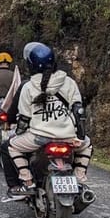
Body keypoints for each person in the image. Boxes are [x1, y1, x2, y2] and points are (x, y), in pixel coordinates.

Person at [6, 42, 92, 200]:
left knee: (11, 146)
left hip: (39, 138)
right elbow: (78, 111)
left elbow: (24, 119)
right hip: (68, 138)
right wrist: (79, 134)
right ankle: (79, 178)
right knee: (88, 144)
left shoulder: (29, 87)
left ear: (31, 65)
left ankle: (27, 181)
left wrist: (17, 133)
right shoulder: (69, 82)